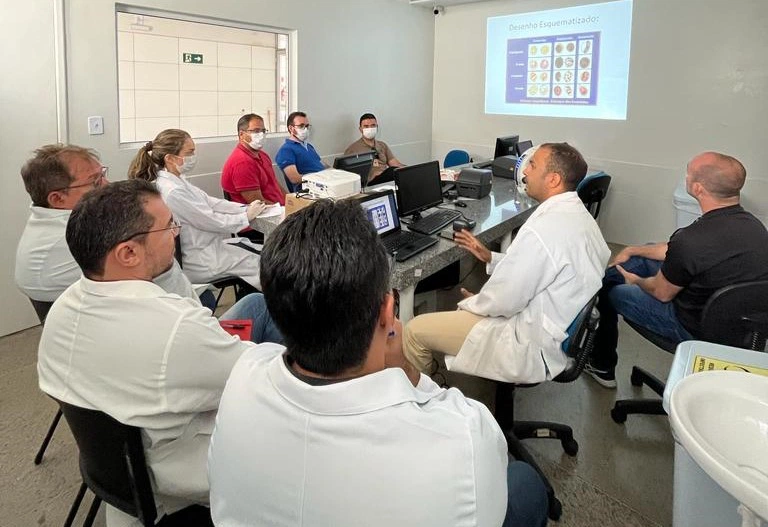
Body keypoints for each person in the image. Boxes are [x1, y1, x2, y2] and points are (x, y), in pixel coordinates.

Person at [208, 199, 548, 527]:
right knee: (524, 484)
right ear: (388, 312)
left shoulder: (240, 380)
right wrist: (408, 368)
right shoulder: (464, 436)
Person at [37, 179, 279, 526]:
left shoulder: (64, 307)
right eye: (168, 226)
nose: (176, 233)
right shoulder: (174, 329)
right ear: (128, 253)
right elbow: (267, 380)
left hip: (121, 473)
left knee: (254, 303)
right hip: (185, 479)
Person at [404, 143, 610, 383]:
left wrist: (474, 303)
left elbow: (504, 299)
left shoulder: (543, 230)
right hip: (553, 327)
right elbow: (544, 270)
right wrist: (492, 258)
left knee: (413, 331)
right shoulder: (581, 219)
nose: (524, 172)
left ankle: (423, 404)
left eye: (532, 165)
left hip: (526, 343)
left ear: (553, 179)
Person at [586, 152, 768, 388]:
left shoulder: (692, 240)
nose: (685, 177)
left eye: (688, 173)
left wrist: (635, 281)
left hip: (692, 326)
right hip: (738, 325)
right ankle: (600, 284)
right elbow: (672, 250)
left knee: (611, 293)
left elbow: (661, 293)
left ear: (698, 188)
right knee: (643, 254)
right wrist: (633, 249)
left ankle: (602, 366)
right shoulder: (754, 226)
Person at [14, 144, 197, 305]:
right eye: (95, 182)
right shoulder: (76, 234)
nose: (107, 184)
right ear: (57, 198)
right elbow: (166, 278)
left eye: (102, 175)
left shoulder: (47, 222)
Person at [128, 129, 265, 290]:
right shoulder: (172, 191)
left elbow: (211, 203)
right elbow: (211, 220)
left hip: (209, 248)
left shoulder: (177, 181)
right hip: (200, 258)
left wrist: (244, 208)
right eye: (190, 152)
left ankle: (255, 298)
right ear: (170, 158)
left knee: (262, 252)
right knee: (263, 264)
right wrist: (245, 217)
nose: (194, 156)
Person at [221, 113, 286, 206]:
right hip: (263, 215)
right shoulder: (242, 163)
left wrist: (291, 201)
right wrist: (286, 211)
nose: (261, 134)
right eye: (256, 131)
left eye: (263, 131)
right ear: (241, 134)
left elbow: (274, 184)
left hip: (279, 209)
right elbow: (258, 203)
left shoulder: (263, 155)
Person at [343, 112, 404, 183]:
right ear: (360, 129)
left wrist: (409, 169)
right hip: (369, 183)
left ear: (377, 127)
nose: (370, 129)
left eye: (373, 125)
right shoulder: (353, 149)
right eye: (366, 126)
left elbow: (395, 164)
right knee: (392, 171)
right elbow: (348, 175)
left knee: (399, 172)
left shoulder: (382, 145)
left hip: (386, 179)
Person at [275, 111, 325, 192]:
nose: (305, 129)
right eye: (301, 126)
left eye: (307, 126)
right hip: (308, 191)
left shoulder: (309, 146)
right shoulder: (286, 150)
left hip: (324, 185)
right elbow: (294, 178)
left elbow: (323, 165)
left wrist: (336, 173)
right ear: (291, 128)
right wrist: (320, 177)